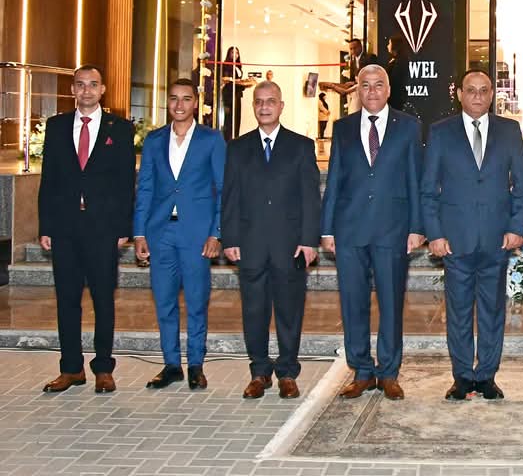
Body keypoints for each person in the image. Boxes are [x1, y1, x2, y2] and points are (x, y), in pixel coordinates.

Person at [421, 69, 523, 401]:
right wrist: (434, 234)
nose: (478, 96)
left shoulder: (509, 131)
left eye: (484, 90)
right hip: (455, 240)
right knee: (458, 313)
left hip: (497, 239)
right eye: (471, 90)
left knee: (492, 312)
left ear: (492, 94)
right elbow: (428, 190)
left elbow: (521, 186)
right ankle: (463, 376)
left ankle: (487, 377)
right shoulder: (440, 132)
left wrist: (517, 227)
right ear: (459, 94)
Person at [321, 64, 425, 400]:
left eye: (379, 84)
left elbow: (415, 179)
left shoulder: (409, 127)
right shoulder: (343, 128)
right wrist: (327, 228)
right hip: (349, 229)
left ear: (389, 89)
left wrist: (417, 226)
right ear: (358, 90)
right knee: (353, 303)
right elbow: (334, 179)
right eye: (365, 85)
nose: (372, 91)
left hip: (392, 229)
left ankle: (389, 372)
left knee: (391, 303)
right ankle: (362, 371)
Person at [38, 65, 135, 394]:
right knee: (67, 299)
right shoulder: (56, 127)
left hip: (103, 228)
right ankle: (71, 368)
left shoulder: (120, 128)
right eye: (80, 85)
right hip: (64, 227)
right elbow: (48, 179)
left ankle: (103, 368)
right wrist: (45, 225)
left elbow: (126, 181)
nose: (87, 90)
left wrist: (123, 227)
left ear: (103, 89)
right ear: (73, 90)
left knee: (103, 299)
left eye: (93, 84)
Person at [222, 81, 321, 399]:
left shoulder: (301, 146)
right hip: (250, 244)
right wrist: (230, 237)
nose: (264, 107)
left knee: (290, 311)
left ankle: (288, 373)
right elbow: (230, 197)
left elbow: (310, 198)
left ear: (281, 106)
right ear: (253, 106)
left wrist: (309, 240)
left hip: (289, 245)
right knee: (254, 311)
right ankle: (259, 372)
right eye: (259, 102)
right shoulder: (237, 148)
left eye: (270, 101)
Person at [133, 79, 226, 390]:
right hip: (160, 232)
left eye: (186, 99)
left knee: (197, 302)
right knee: (164, 302)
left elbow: (223, 189)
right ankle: (171, 364)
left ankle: (196, 364)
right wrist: (139, 233)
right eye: (174, 98)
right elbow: (145, 187)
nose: (179, 105)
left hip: (197, 234)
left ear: (195, 103)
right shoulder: (154, 140)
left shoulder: (212, 139)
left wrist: (216, 233)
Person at [322, 38, 378, 115]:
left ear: (360, 47)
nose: (353, 51)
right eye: (351, 49)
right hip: (357, 92)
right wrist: (352, 83)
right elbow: (353, 79)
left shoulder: (370, 57)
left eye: (355, 48)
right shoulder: (352, 62)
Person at [221, 46, 255, 141]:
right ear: (229, 54)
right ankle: (227, 141)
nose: (235, 55)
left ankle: (235, 139)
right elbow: (226, 80)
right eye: (233, 52)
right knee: (229, 119)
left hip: (237, 95)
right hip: (229, 95)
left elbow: (238, 82)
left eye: (237, 53)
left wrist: (246, 83)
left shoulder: (238, 66)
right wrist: (240, 82)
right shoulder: (225, 65)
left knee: (236, 119)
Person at [386, 33, 411, 112]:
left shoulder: (400, 61)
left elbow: (395, 79)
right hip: (394, 95)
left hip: (396, 96)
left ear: (395, 45)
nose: (387, 46)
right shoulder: (396, 59)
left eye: (389, 43)